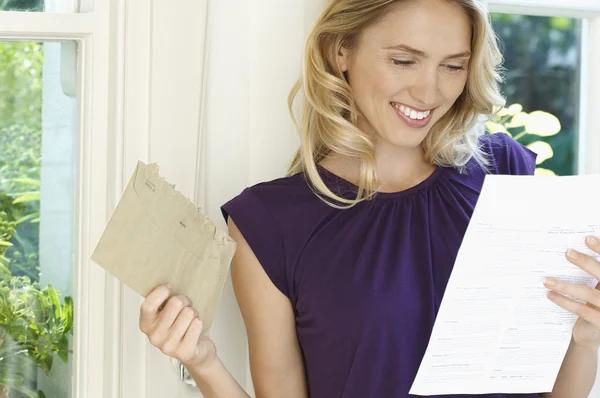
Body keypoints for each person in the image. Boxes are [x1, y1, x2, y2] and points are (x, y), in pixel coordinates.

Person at [138, 0, 600, 397]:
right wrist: (203, 360)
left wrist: (584, 336)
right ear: (341, 51)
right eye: (404, 61)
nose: (429, 90)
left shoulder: (507, 173)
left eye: (453, 65)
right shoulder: (269, 223)